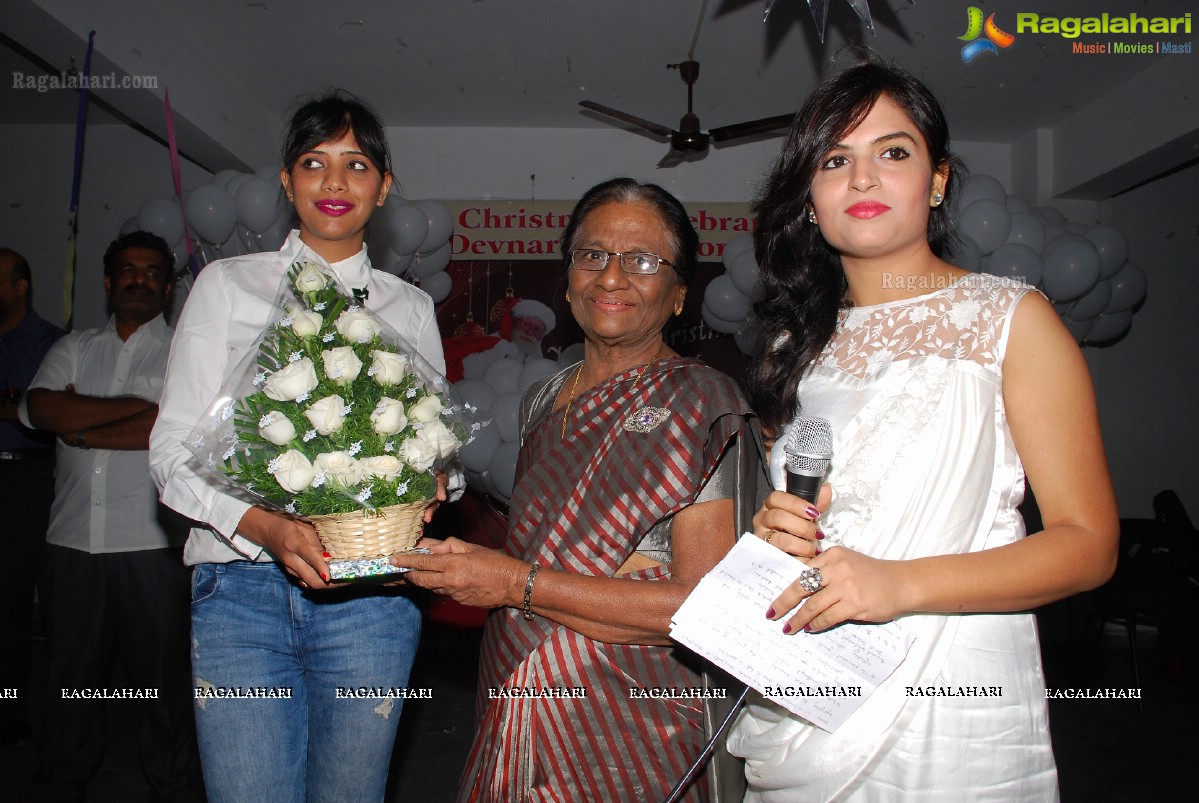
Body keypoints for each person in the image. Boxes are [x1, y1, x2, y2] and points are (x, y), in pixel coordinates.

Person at [725, 61, 1119, 800]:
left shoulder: (1011, 319)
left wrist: (899, 584)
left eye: (892, 151)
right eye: (834, 160)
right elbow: (820, 516)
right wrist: (773, 535)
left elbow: (1088, 546)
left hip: (952, 694)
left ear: (936, 180)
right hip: (813, 686)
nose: (863, 178)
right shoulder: (791, 350)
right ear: (809, 197)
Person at [392, 178, 762, 802]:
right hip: (516, 681)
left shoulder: (705, 401)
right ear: (567, 281)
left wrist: (514, 584)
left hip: (630, 720)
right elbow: (549, 542)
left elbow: (702, 614)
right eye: (593, 256)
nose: (612, 277)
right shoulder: (542, 399)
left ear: (677, 295)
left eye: (642, 261)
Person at [149, 92, 450, 802]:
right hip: (241, 587)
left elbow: (436, 447)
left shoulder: (410, 308)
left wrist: (436, 478)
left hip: (372, 592)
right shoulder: (226, 286)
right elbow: (170, 452)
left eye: (356, 164)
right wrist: (268, 528)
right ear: (286, 182)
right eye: (314, 163)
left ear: (383, 184)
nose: (335, 182)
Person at [20, 231, 202, 799]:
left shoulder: (182, 351)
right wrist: (138, 412)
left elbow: (168, 429)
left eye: (151, 272)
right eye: (127, 270)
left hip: (149, 543)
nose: (138, 279)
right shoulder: (73, 346)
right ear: (108, 281)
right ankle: (62, 778)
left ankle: (171, 784)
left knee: (161, 682)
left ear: (167, 287)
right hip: (71, 540)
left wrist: (81, 425)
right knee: (70, 678)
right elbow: (38, 406)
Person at [0, 248, 64, 749]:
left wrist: (16, 408)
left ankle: (12, 709)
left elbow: (47, 414)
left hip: (25, 478)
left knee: (13, 598)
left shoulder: (48, 343)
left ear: (21, 286)